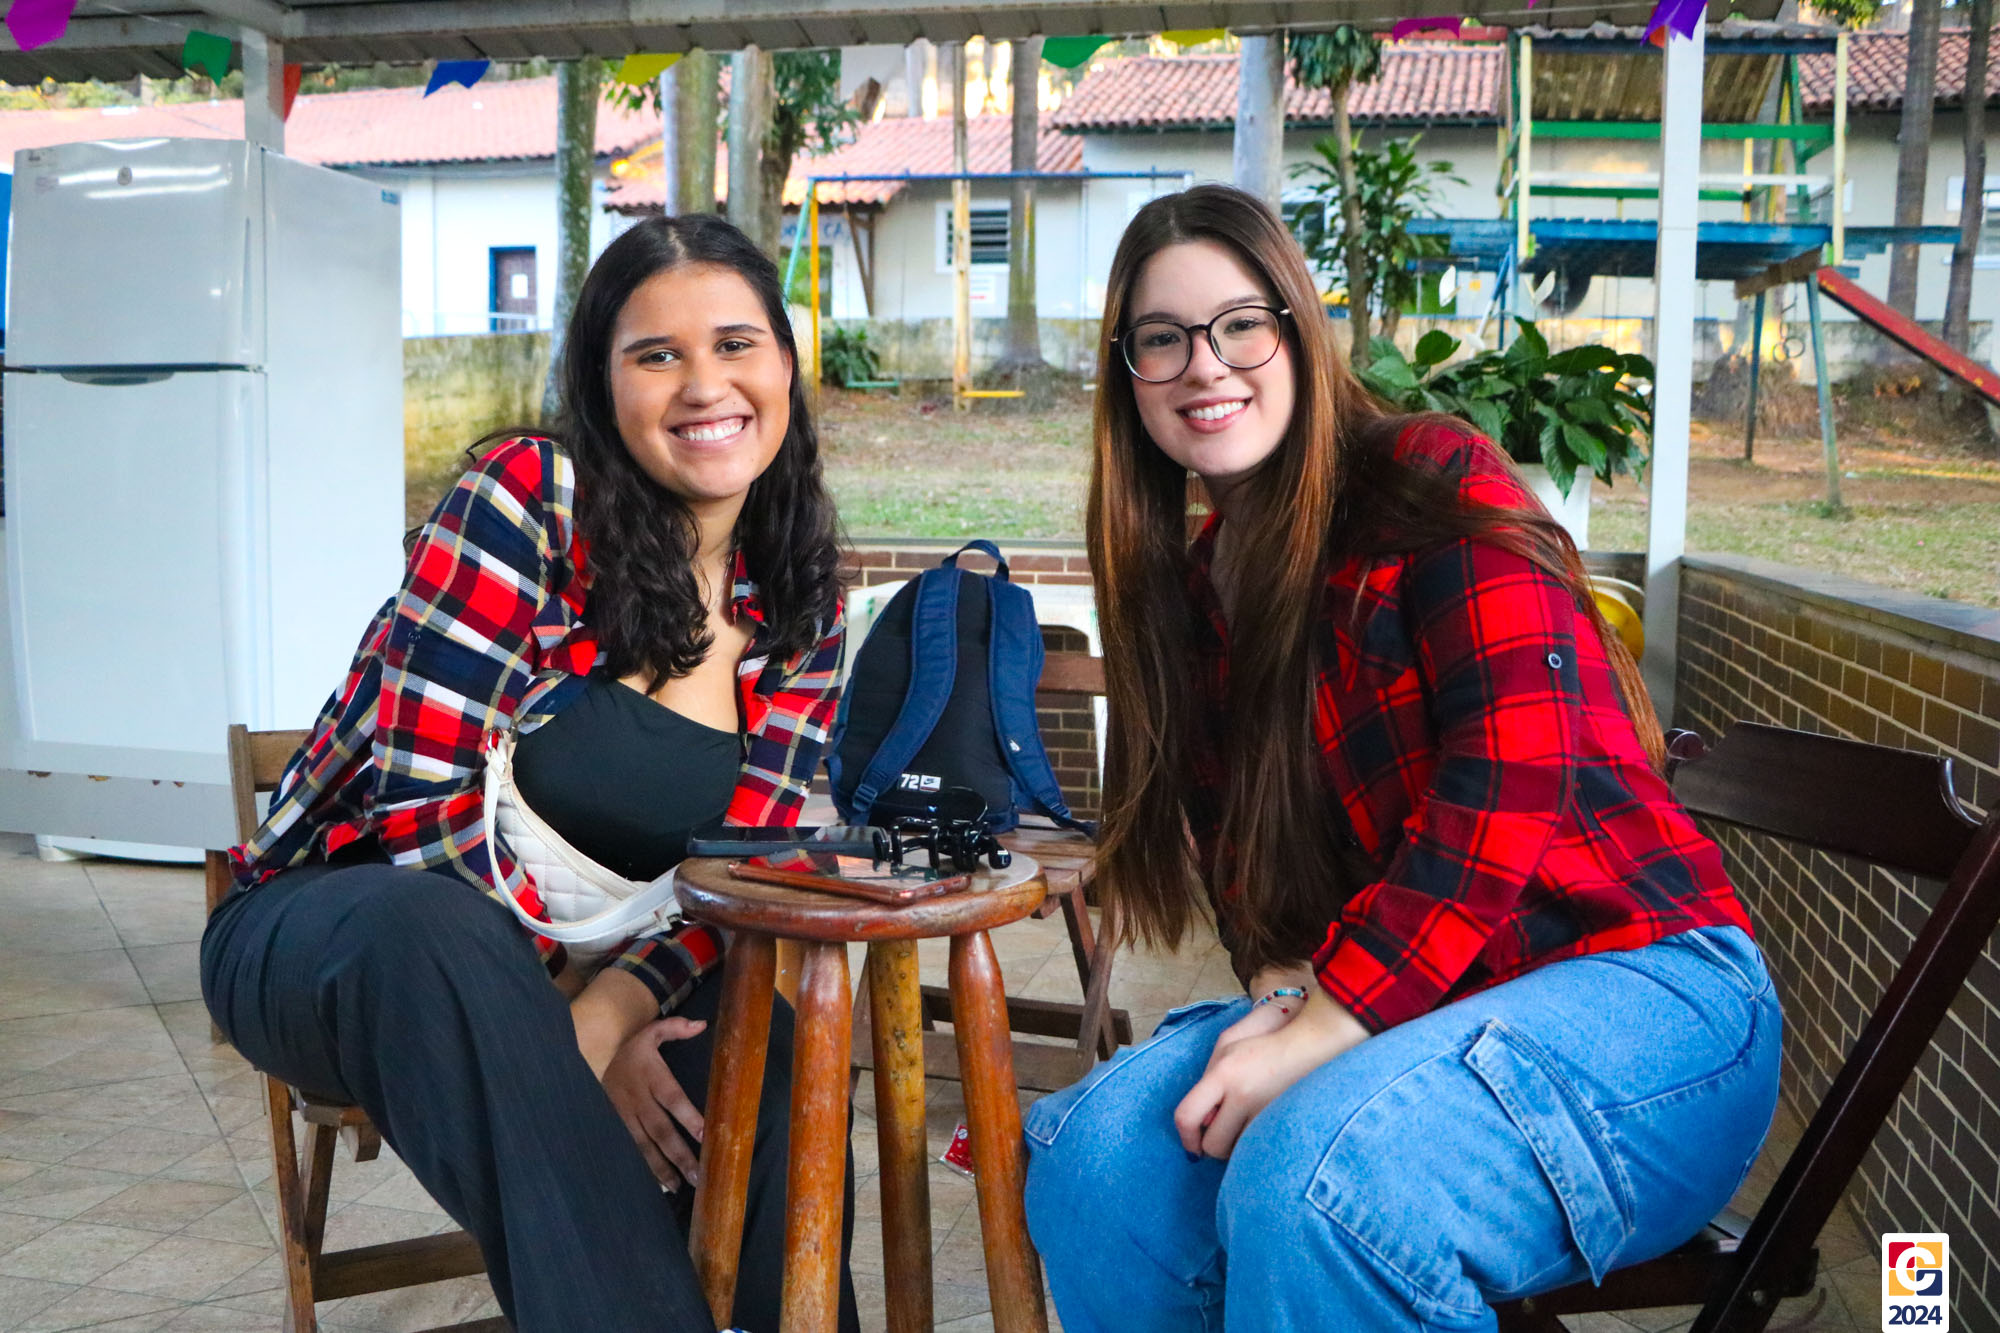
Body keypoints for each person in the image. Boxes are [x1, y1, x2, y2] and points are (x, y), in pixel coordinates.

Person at [1022, 184, 1782, 1332]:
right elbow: (1253, 885)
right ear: (1126, 376)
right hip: (1426, 1013)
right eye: (1160, 338)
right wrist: (1285, 992)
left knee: (1318, 1183)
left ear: (1297, 331)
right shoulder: (1188, 596)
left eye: (1240, 324)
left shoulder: (1425, 478)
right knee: (1095, 1168)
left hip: (1643, 987)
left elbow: (1512, 771)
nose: (1203, 365)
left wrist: (1329, 1021)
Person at [201, 214, 859, 1333]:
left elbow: (739, 879)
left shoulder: (802, 605)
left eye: (735, 344)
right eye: (657, 354)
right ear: (602, 385)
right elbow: (423, 813)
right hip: (341, 931)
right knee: (438, 936)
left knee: (764, 1052)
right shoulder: (532, 499)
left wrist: (607, 1012)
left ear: (786, 367)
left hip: (591, 973)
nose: (705, 384)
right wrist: (572, 1028)